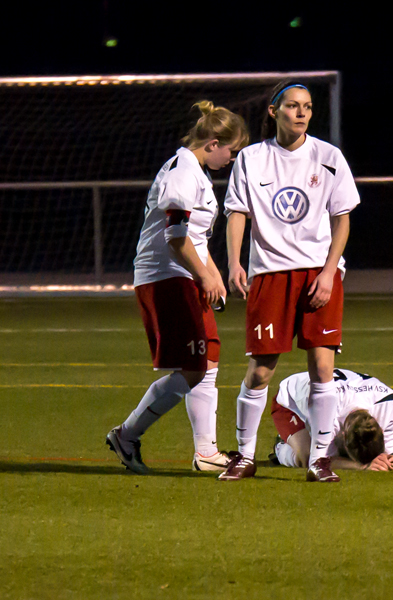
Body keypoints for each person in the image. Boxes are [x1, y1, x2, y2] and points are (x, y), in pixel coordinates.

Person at [220, 81, 360, 482]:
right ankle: (244, 456)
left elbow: (342, 218)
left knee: (322, 367)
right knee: (261, 370)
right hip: (270, 274)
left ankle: (319, 460)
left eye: (308, 107)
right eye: (293, 106)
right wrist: (233, 263)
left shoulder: (329, 157)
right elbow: (237, 213)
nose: (301, 113)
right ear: (273, 111)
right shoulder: (251, 159)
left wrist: (330, 272)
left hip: (318, 273)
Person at [106, 101, 249, 473]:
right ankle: (126, 434)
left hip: (183, 273)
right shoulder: (183, 172)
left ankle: (206, 452)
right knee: (193, 367)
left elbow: (195, 237)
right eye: (230, 151)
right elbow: (175, 235)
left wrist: (213, 272)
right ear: (214, 142)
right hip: (167, 276)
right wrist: (203, 275)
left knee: (208, 358)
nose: (231, 159)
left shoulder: (195, 172)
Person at [269, 368, 393, 472]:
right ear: (343, 436)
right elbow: (318, 460)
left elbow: (388, 449)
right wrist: (361, 466)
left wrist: (386, 456)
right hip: (290, 400)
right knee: (306, 456)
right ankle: (280, 449)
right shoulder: (327, 414)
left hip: (332, 394)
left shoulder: (387, 403)